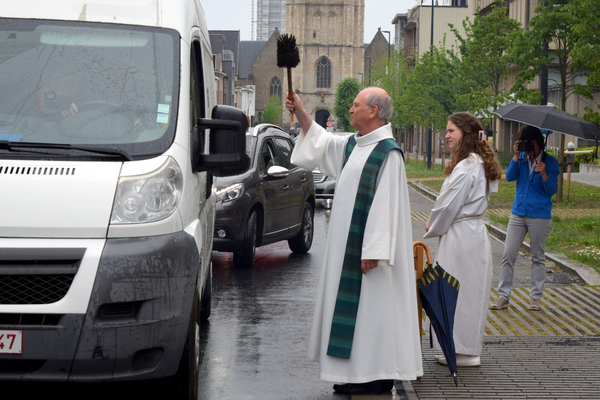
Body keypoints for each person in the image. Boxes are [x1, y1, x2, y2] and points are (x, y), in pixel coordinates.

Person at [285, 87, 423, 395]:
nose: (349, 109)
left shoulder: (387, 153)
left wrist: (373, 249)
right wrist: (301, 111)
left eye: (355, 105)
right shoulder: (355, 145)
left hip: (371, 256)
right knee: (356, 317)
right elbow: (321, 142)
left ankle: (376, 375)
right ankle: (353, 373)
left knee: (373, 314)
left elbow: (386, 204)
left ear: (373, 111)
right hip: (349, 248)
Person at [424, 112, 501, 367]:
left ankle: (464, 351)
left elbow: (448, 206)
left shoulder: (468, 167)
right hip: (471, 234)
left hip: (462, 237)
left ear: (465, 134)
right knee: (468, 291)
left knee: (457, 291)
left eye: (451, 131)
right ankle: (460, 348)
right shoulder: (476, 162)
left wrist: (432, 224)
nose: (446, 135)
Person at [490, 126, 559, 311]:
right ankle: (503, 296)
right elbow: (510, 177)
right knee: (508, 255)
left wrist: (544, 173)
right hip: (518, 213)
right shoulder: (520, 159)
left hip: (540, 215)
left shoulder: (550, 162)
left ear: (539, 143)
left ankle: (535, 298)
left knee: (538, 257)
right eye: (525, 145)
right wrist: (515, 156)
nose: (528, 150)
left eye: (531, 145)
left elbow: (552, 190)